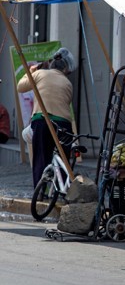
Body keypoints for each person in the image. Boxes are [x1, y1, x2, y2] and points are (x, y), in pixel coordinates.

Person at [17, 48, 75, 187]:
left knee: (41, 158)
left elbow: (21, 87)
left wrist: (31, 71)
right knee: (64, 158)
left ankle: (40, 191)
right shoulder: (68, 83)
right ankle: (63, 188)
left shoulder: (39, 74)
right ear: (66, 69)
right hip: (64, 123)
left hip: (42, 121)